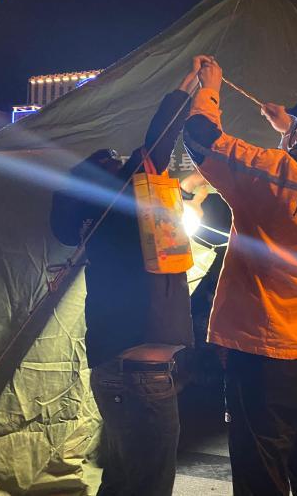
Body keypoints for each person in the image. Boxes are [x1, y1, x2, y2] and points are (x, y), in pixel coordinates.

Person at [183, 59, 297, 496]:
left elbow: (200, 137)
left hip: (264, 356)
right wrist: (290, 130)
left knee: (259, 474)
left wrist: (209, 88)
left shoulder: (271, 173)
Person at [52, 56, 211, 496]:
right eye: (118, 165)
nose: (128, 167)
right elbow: (156, 144)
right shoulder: (119, 205)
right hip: (140, 377)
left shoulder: (106, 224)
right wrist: (189, 87)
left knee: (123, 479)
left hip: (119, 371)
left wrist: (191, 188)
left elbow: (167, 184)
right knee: (148, 484)